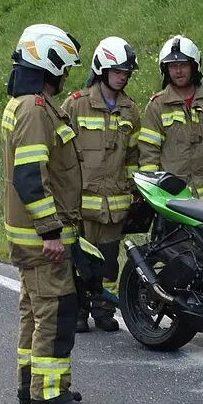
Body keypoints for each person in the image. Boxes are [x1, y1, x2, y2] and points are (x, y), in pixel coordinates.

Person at [2, 23, 92, 404]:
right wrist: (52, 232)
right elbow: (29, 177)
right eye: (63, 66)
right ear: (48, 61)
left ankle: (30, 385)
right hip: (43, 242)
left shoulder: (24, 105)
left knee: (34, 313)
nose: (65, 75)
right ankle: (49, 394)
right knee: (56, 313)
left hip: (31, 239)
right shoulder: (35, 110)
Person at [61, 36, 141, 333]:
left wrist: (134, 191)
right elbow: (61, 153)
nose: (123, 77)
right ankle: (80, 311)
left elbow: (133, 154)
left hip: (114, 205)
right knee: (80, 262)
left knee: (108, 263)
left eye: (127, 73)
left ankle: (104, 309)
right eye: (118, 71)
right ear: (102, 69)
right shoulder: (76, 105)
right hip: (81, 204)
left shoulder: (130, 110)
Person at [136, 35, 203, 204]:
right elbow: (149, 153)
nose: (178, 71)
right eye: (173, 66)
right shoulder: (157, 106)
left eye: (183, 65)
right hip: (176, 198)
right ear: (166, 70)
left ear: (194, 66)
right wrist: (150, 192)